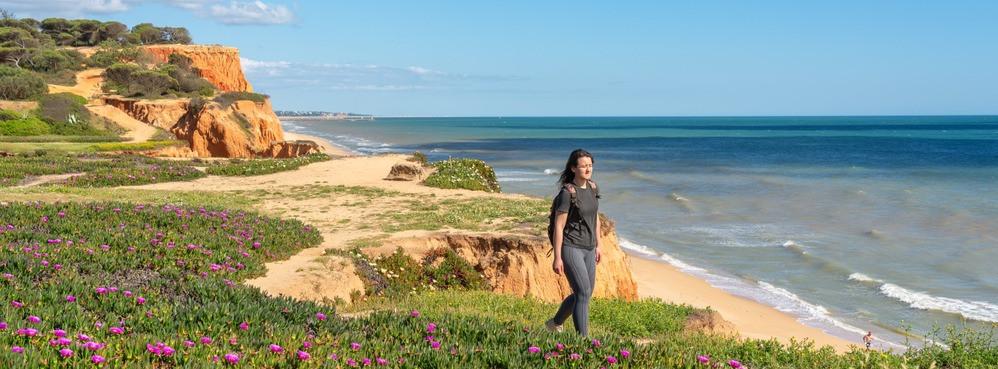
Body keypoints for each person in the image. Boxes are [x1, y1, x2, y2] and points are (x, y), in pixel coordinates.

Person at [545, 149, 601, 336]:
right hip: (571, 247)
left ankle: (555, 323)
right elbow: (559, 226)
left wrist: (598, 245)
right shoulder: (567, 193)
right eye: (583, 166)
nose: (588, 169)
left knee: (584, 293)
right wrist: (557, 257)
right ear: (573, 168)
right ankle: (583, 341)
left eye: (590, 165)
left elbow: (596, 218)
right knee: (583, 293)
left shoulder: (593, 188)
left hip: (589, 247)